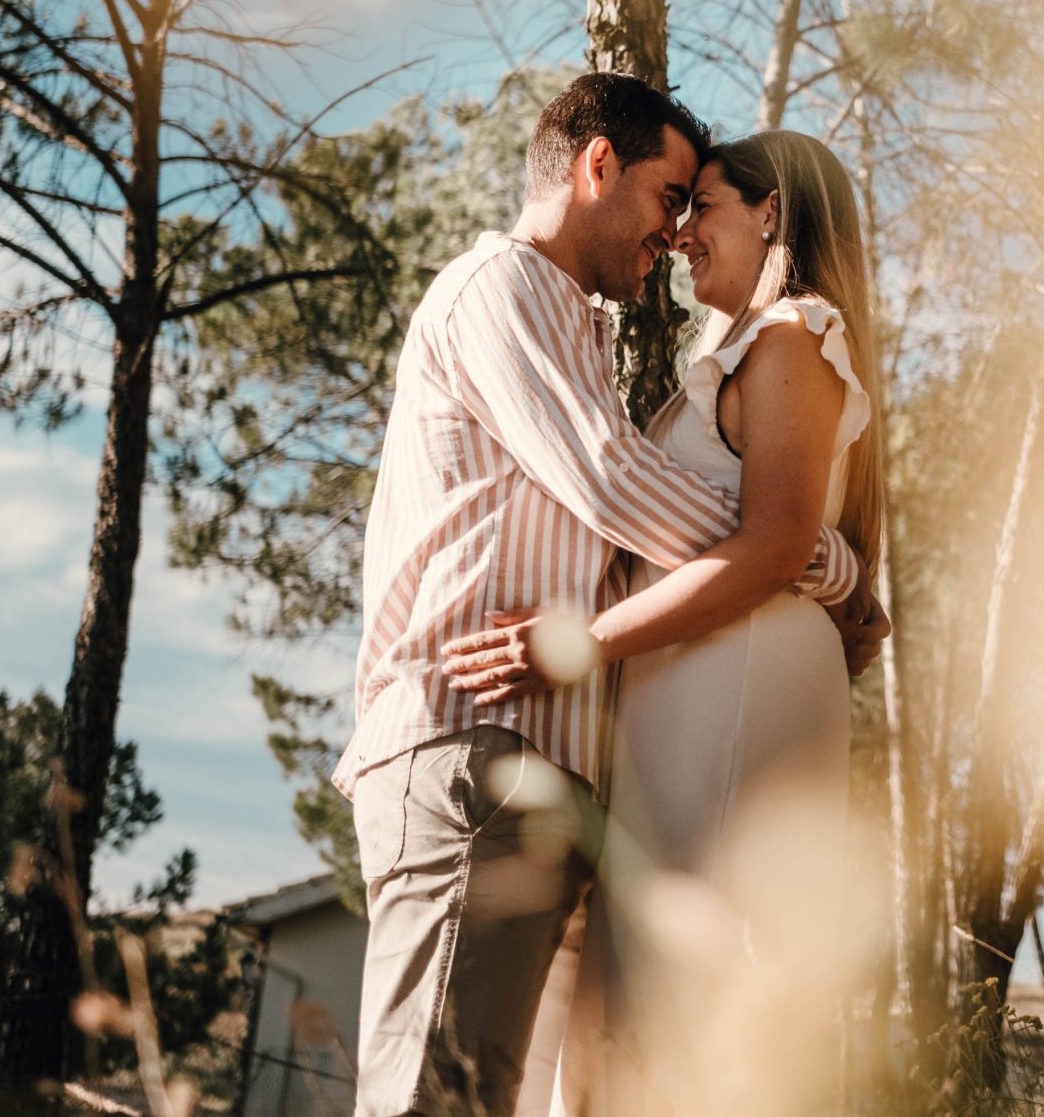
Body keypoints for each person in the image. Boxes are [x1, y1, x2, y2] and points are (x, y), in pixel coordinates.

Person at [336, 75, 870, 1117]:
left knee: (503, 1094)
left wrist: (800, 552)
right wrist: (807, 558)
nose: (671, 234)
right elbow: (612, 484)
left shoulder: (589, 330)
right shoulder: (503, 290)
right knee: (433, 1099)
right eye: (670, 196)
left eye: (692, 206)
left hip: (549, 773)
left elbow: (623, 541)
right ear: (596, 167)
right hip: (470, 742)